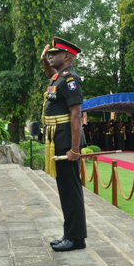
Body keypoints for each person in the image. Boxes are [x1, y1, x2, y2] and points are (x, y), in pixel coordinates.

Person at [41, 37, 87, 252]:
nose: (51, 56)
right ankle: (70, 234)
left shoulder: (71, 80)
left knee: (71, 191)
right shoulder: (58, 78)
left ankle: (76, 238)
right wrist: (44, 61)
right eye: (50, 53)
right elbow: (50, 76)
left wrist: (75, 149)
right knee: (65, 190)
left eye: (54, 54)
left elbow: (76, 115)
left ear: (67, 56)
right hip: (57, 139)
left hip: (66, 141)